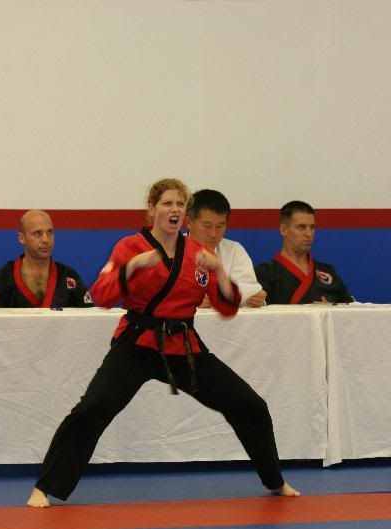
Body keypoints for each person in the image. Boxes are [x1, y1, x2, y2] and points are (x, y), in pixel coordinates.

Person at [27, 178, 299, 508]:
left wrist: (221, 271)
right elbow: (101, 295)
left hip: (183, 346)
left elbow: (227, 308)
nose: (174, 209)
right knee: (91, 409)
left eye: (180, 204)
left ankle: (275, 481)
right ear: (152, 209)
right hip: (137, 344)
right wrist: (132, 267)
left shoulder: (198, 254)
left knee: (250, 405)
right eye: (167, 203)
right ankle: (44, 487)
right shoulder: (130, 247)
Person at [254, 201, 354, 305]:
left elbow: (350, 309)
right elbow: (256, 311)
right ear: (283, 230)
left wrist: (331, 309)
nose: (309, 234)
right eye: (301, 227)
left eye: (312, 227)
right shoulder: (265, 273)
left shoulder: (328, 272)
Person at [0, 209, 93, 308]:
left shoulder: (69, 277)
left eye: (50, 232)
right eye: (37, 233)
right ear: (22, 238)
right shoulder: (4, 277)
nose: (46, 239)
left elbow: (90, 316)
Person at [187, 189, 266, 308]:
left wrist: (256, 299)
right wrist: (189, 301)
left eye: (220, 226)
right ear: (188, 222)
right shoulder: (172, 249)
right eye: (207, 226)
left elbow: (249, 290)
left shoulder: (234, 250)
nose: (213, 234)